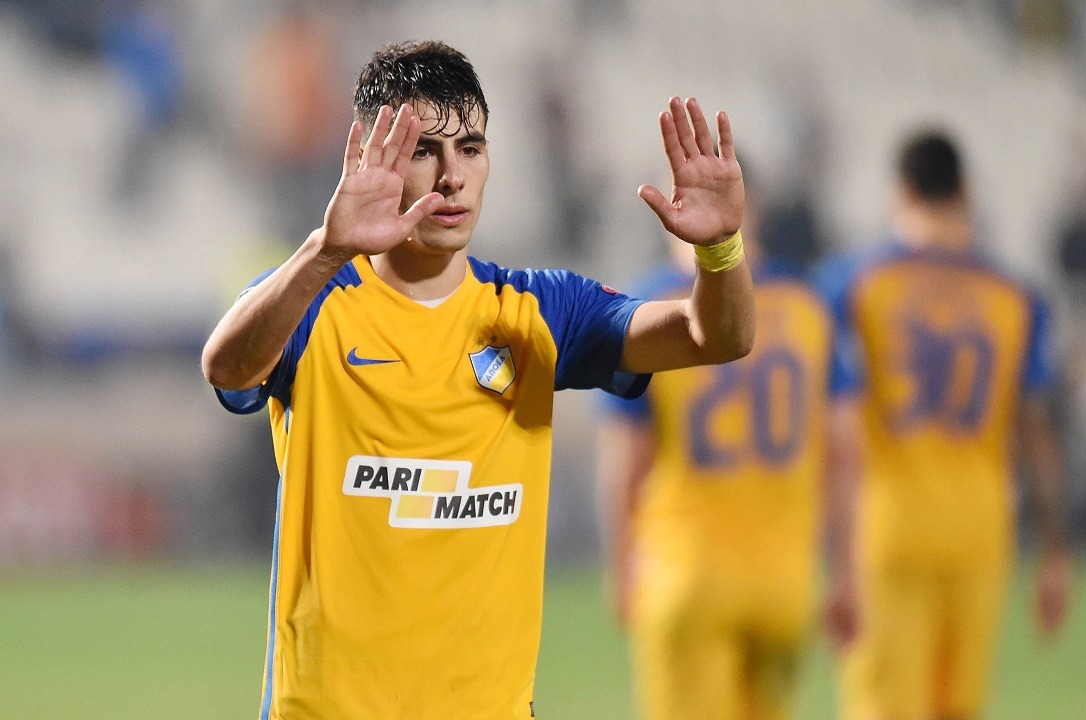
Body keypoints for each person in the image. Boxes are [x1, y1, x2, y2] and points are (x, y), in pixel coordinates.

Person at [200, 41, 754, 720]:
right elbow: (227, 369)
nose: (451, 177)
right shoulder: (315, 299)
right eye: (423, 151)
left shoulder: (541, 310)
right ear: (371, 159)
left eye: (470, 148)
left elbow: (713, 337)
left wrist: (719, 251)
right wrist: (325, 249)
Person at [819, 130, 1071, 720]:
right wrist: (1056, 553)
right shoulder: (1017, 297)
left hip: (888, 534)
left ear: (900, 191)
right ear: (966, 193)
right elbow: (1035, 433)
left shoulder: (850, 284)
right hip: (980, 535)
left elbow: (832, 416)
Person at [597, 176, 862, 720]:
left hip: (688, 574)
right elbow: (843, 452)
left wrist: (621, 565)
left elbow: (628, 460)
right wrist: (848, 572)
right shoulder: (810, 305)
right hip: (785, 580)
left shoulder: (648, 306)